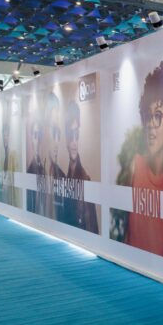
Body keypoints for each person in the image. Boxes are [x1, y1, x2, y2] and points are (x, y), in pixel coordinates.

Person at [127, 62, 163, 256]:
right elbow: (128, 230)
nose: (151, 124)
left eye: (159, 116)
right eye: (149, 115)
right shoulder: (136, 165)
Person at [62, 99, 99, 234]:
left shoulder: (85, 180)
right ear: (65, 138)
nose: (74, 142)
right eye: (70, 135)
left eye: (76, 135)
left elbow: (92, 230)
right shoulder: (66, 177)